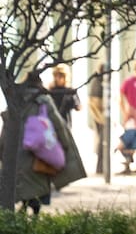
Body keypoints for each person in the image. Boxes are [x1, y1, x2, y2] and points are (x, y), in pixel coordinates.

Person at [0, 73, 87, 213]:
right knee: (37, 188)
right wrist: (64, 144)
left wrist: (3, 149)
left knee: (22, 186)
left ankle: (21, 217)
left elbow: (6, 128)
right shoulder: (43, 101)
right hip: (40, 153)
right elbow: (58, 124)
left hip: (18, 151)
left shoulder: (15, 101)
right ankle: (33, 218)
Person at [48, 65, 81, 130]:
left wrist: (72, 98)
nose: (58, 78)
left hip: (66, 123)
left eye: (61, 76)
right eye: (56, 76)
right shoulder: (50, 91)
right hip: (53, 123)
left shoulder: (70, 91)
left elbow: (78, 107)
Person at [87, 64, 105, 174]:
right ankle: (100, 167)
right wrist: (101, 118)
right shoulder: (98, 83)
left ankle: (101, 167)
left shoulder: (100, 82)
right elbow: (94, 103)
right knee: (102, 142)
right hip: (100, 117)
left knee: (103, 142)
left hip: (101, 117)